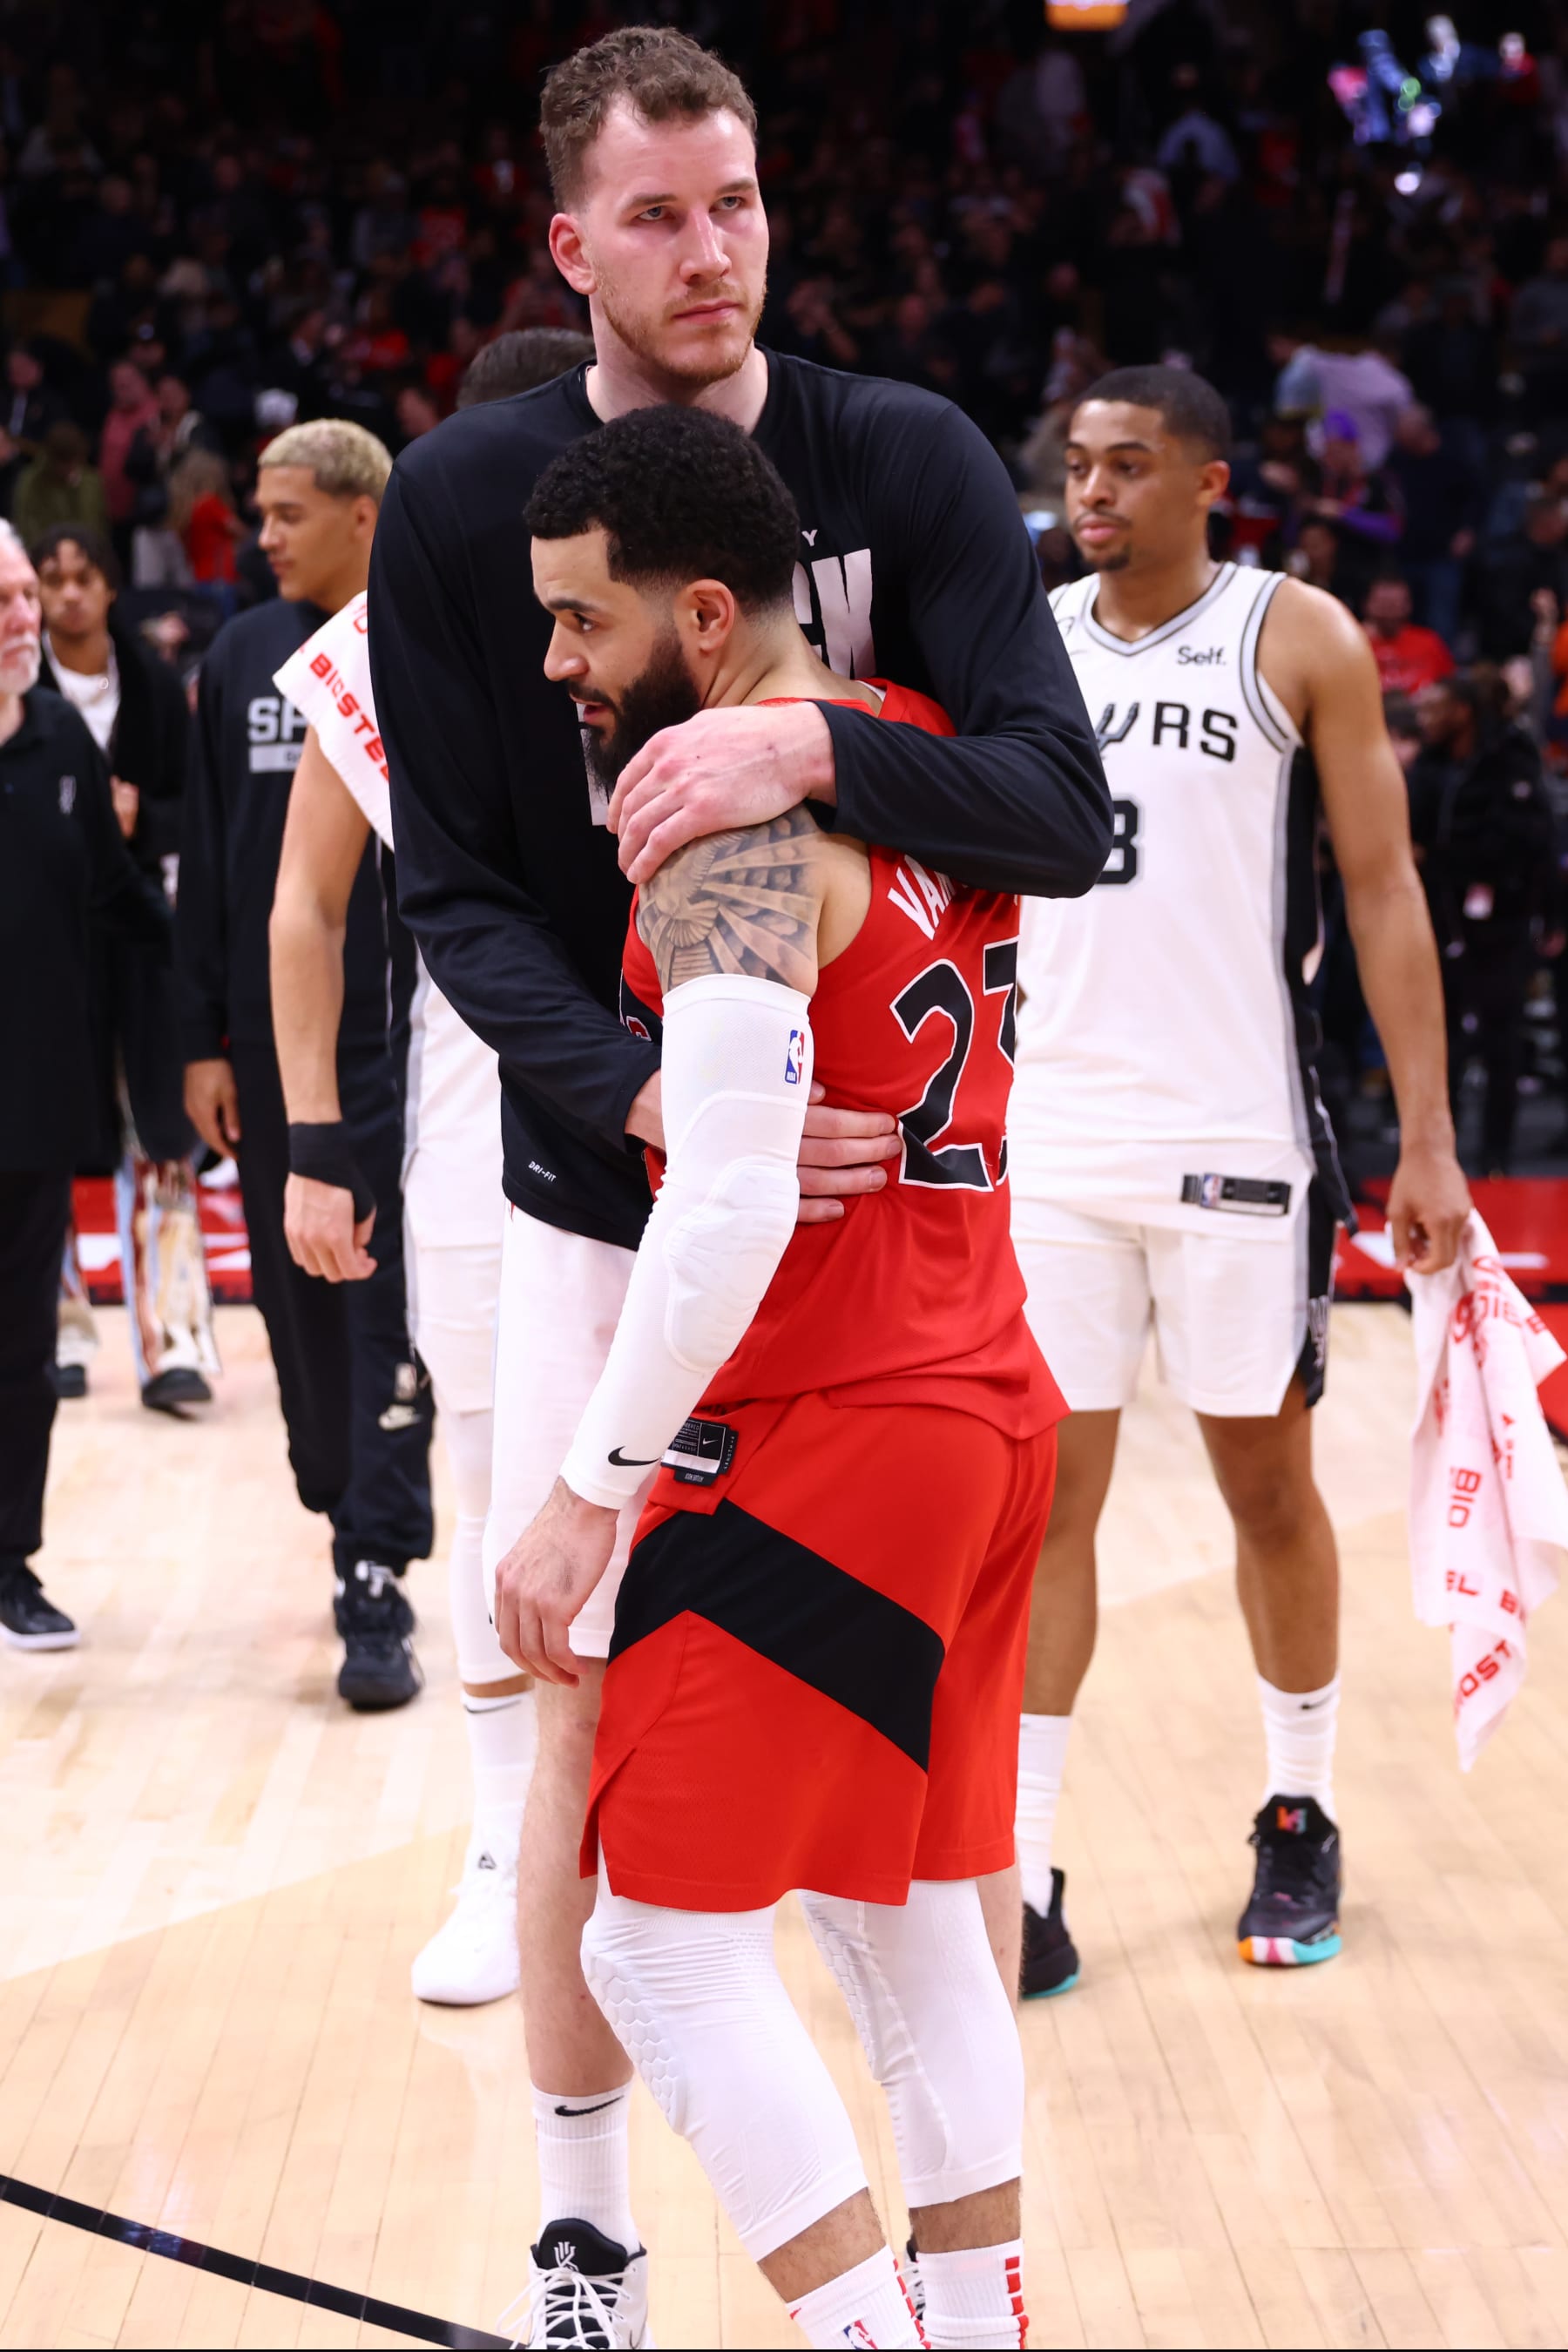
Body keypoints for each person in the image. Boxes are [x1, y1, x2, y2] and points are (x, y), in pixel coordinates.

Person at [369, 24, 1107, 2343]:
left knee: (753, 1896)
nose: (714, 252)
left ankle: (875, 2314)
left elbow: (1059, 801)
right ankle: (600, 2236)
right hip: (761, 1233)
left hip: (842, 1284)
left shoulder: (868, 521)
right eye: (661, 216)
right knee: (740, 1827)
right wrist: (664, 1094)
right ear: (569, 244)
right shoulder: (467, 504)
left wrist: (783, 740)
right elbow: (463, 899)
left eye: (742, 203)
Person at [498, 401, 1062, 2352]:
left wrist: (588, 1487)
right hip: (987, 1393)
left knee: (653, 1949)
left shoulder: (725, 810)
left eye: (582, 622)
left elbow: (730, 1207)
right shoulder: (916, 741)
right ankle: (975, 2322)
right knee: (913, 1932)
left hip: (838, 1422)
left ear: (708, 616)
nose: (558, 663)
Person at [1006, 367, 1470, 1997]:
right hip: (1049, 1138)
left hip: (1239, 1139)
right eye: (1081, 465)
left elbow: (1387, 887)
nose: (1098, 491)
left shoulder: (1299, 637)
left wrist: (1428, 1134)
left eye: (1132, 466)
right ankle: (1025, 1864)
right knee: (1041, 1512)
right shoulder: (1024, 635)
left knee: (1266, 1498)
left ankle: (1300, 1811)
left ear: (1212, 481)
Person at [266, 328, 597, 2010]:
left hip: (695, 1089)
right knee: (486, 1477)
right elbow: (303, 911)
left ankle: (676, 1830)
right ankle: (498, 1846)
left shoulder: (694, 593)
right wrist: (314, 1147)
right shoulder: (373, 650)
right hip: (475, 1122)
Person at [176, 420, 434, 1712]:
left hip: (416, 1042)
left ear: (364, 516)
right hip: (279, 1056)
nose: (260, 535)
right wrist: (199, 1041)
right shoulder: (236, 657)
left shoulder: (429, 641)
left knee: (388, 1307)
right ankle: (346, 1502)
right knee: (297, 1309)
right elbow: (212, 864)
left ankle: (375, 1560)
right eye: (260, 513)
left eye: (286, 514)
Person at [0, 522, 168, 1650]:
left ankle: (11, 1563)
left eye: (24, 597)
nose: (26, 619)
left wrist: (218, 1000)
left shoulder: (61, 738)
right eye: (6, 602)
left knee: (19, 1357)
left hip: (32, 1104)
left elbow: (121, 903)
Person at [34, 522, 216, 1411]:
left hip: (143, 934)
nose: (68, 594)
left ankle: (175, 1342)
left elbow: (199, 812)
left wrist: (144, 820)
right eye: (50, 579)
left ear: (112, 588)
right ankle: (56, 1325)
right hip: (40, 940)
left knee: (164, 1140)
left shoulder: (152, 684)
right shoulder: (15, 689)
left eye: (83, 577)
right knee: (40, 1141)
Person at [1408, 672, 1558, 1174]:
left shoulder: (1512, 760)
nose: (1426, 720)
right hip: (1440, 916)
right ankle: (1438, 1150)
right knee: (1439, 1040)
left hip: (1503, 921)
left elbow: (1537, 844)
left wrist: (1551, 914)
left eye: (1436, 709)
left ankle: (1498, 1152)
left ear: (1464, 711)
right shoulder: (1429, 767)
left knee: (1501, 1039)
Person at [13, 422, 110, 550]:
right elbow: (26, 527)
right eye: (62, 462)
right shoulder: (31, 482)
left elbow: (97, 526)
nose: (67, 469)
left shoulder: (90, 483)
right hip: (43, 558)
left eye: (72, 462)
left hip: (84, 557)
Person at [1362, 573, 1456, 698]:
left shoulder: (1429, 642)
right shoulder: (1356, 646)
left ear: (1408, 605)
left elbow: (1451, 686)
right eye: (1384, 605)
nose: (1390, 612)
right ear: (1367, 605)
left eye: (1396, 605)